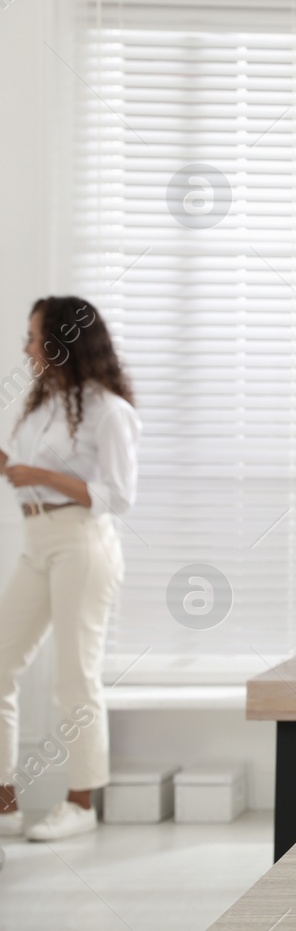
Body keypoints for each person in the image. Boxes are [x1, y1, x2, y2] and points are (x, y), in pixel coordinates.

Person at [0, 296, 139, 841]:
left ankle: (80, 802)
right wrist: (15, 469)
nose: (26, 347)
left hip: (82, 542)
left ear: (61, 341)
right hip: (37, 540)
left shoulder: (109, 410)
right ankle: (5, 798)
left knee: (74, 677)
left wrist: (40, 473)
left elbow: (119, 496)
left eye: (33, 337)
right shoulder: (41, 405)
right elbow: (28, 473)